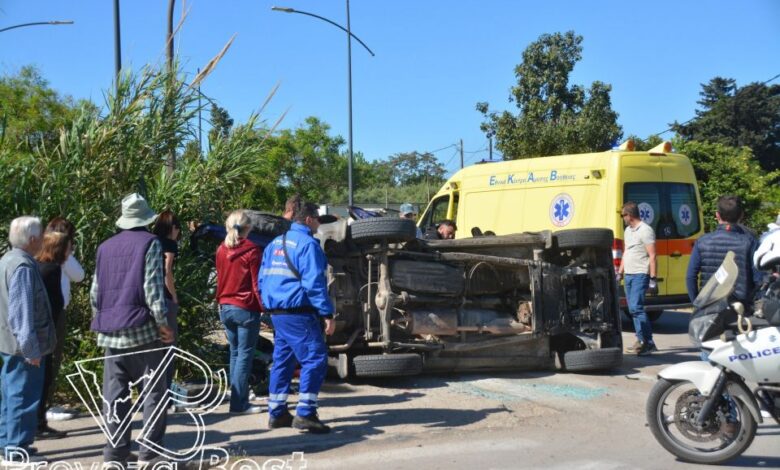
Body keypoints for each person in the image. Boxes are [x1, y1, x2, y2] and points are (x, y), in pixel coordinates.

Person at [90, 193, 174, 466]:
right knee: (153, 393)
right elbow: (153, 289)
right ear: (146, 219)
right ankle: (150, 455)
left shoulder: (104, 247)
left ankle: (114, 455)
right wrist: (163, 323)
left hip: (111, 333)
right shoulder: (150, 243)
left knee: (114, 397)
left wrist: (100, 322)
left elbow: (95, 293)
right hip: (143, 331)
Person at [260, 200, 336, 434]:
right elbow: (314, 284)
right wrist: (327, 313)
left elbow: (262, 279)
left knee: (283, 361)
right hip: (299, 313)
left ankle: (277, 412)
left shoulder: (274, 243)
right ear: (309, 219)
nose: (319, 224)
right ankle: (305, 413)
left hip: (278, 314)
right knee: (315, 359)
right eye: (317, 219)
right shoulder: (308, 245)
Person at [0, 216, 56, 458]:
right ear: (32, 239)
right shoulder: (22, 266)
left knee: (11, 394)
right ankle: (16, 449)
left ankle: (7, 443)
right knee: (22, 395)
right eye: (41, 235)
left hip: (8, 342)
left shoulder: (7, 259)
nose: (44, 239)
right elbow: (22, 313)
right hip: (23, 346)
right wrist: (31, 349)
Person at [215, 210, 263, 415]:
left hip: (225, 305)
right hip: (245, 307)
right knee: (244, 355)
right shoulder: (252, 250)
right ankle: (239, 403)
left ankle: (238, 395)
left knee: (235, 353)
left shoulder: (221, 249)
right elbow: (256, 284)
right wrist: (264, 307)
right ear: (248, 228)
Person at [686, 195, 762, 305]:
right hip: (739, 307)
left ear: (717, 215)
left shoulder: (702, 242)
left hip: (708, 306)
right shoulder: (750, 242)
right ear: (741, 215)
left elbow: (690, 276)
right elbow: (758, 279)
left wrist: (697, 304)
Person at [43, 217, 84, 422]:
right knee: (52, 360)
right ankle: (44, 405)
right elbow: (79, 275)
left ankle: (44, 404)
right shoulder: (61, 257)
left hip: (51, 312)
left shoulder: (41, 252)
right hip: (55, 314)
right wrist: (69, 254)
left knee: (49, 361)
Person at [34, 232, 70, 440]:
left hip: (36, 331)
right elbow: (55, 303)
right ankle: (39, 423)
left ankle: (36, 421)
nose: (69, 251)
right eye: (68, 247)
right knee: (45, 377)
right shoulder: (53, 269)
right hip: (46, 331)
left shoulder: (36, 266)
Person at [618, 201, 658, 356]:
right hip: (629, 274)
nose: (623, 218)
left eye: (623, 215)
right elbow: (626, 252)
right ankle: (641, 340)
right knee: (632, 309)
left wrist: (653, 278)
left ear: (630, 215)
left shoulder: (646, 230)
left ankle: (648, 342)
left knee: (636, 308)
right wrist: (620, 272)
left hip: (640, 274)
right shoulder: (628, 231)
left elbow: (652, 255)